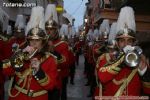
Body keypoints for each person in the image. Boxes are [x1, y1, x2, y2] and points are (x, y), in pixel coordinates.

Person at [2, 6, 58, 100]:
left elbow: (51, 86)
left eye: (37, 40)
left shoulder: (50, 59)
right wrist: (20, 56)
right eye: (31, 40)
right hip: (18, 96)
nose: (34, 43)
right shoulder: (20, 54)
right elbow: (6, 71)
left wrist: (39, 72)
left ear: (43, 42)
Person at [95, 6, 150, 99]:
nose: (126, 44)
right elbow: (102, 77)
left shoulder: (141, 59)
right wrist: (122, 60)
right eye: (122, 41)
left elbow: (148, 90)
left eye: (129, 41)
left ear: (134, 43)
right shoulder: (107, 57)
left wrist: (144, 71)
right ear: (117, 43)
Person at [45, 4, 70, 100]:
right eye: (47, 29)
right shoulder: (40, 42)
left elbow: (65, 62)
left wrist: (54, 51)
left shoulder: (62, 44)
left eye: (51, 29)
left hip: (55, 79)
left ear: (56, 30)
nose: (48, 31)